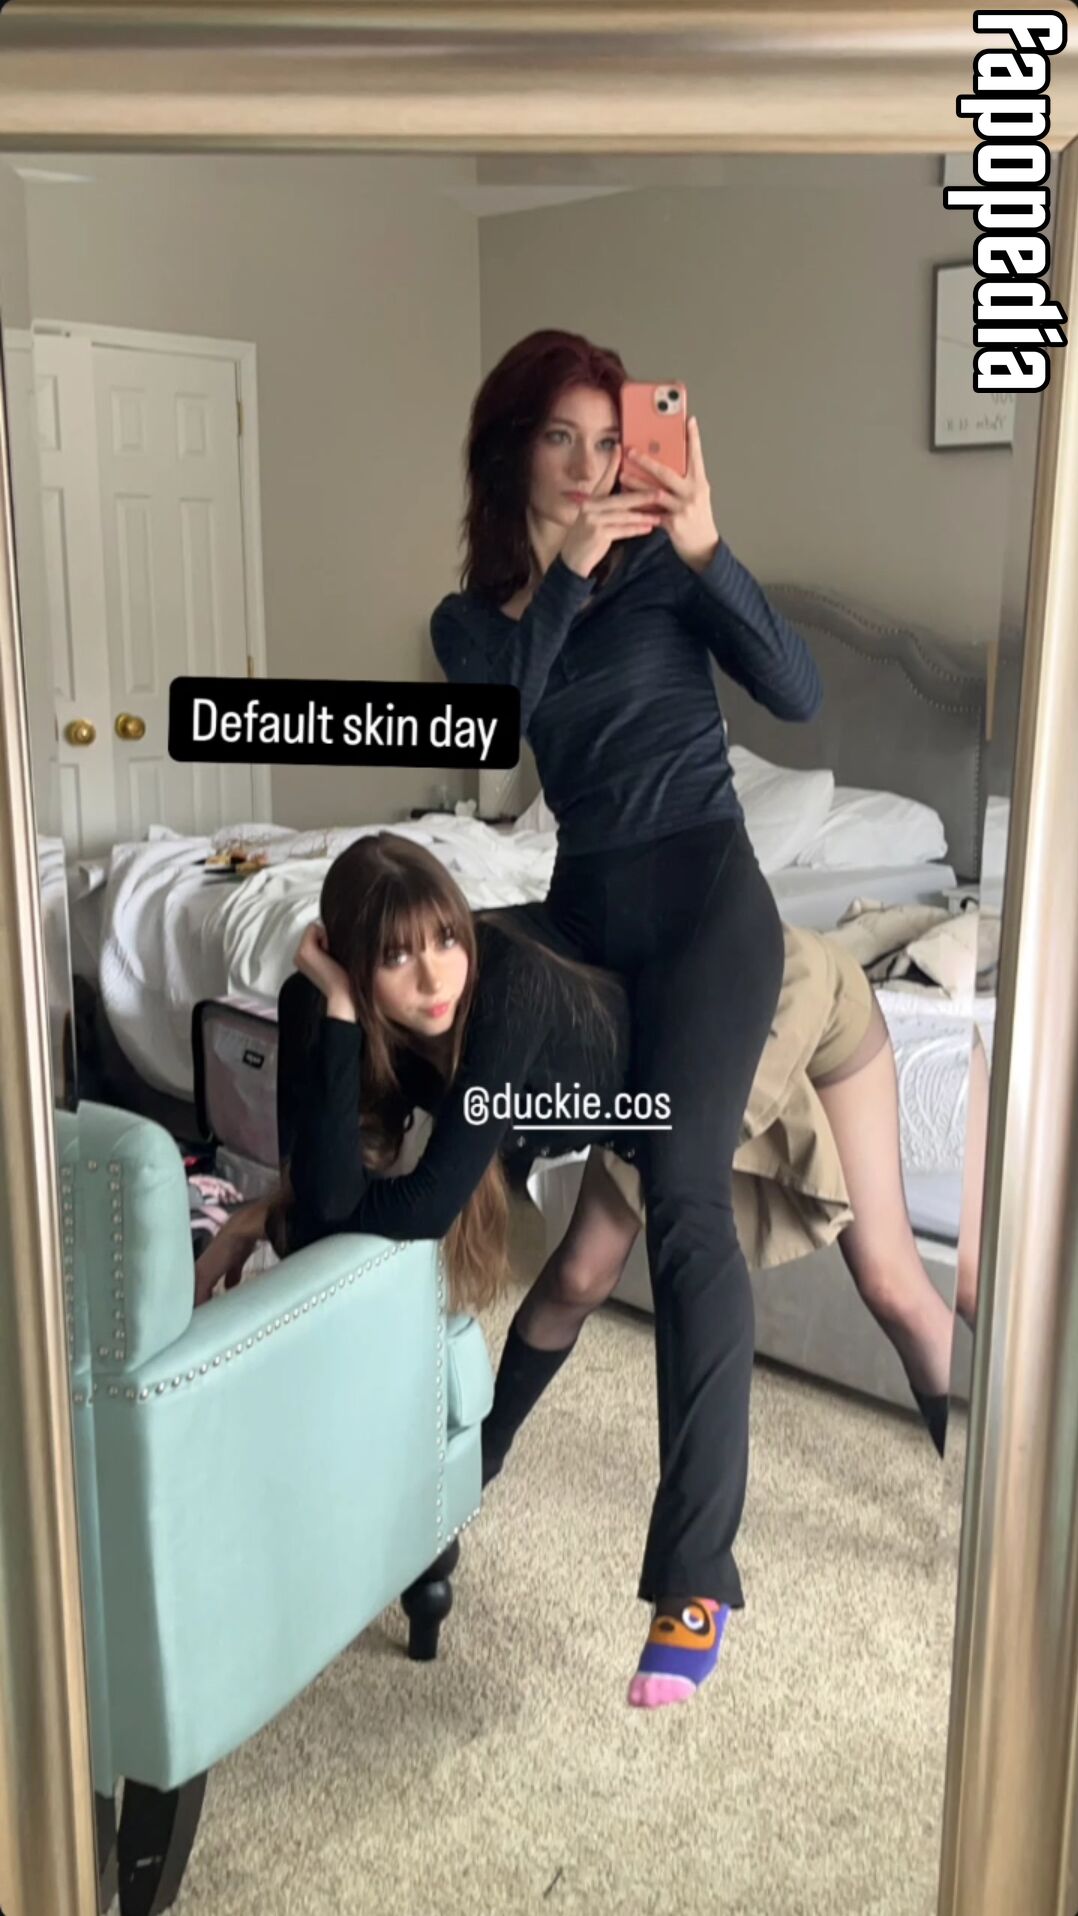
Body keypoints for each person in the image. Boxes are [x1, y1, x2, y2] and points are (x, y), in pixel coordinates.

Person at [194, 834, 982, 1699]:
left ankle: (994, 1492)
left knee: (893, 1283)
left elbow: (419, 1211)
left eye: (445, 940)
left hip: (787, 1000)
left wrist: (278, 1210)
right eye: (393, 959)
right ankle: (464, 1485)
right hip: (650, 1071)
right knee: (575, 1280)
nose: (432, 978)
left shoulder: (509, 991)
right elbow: (330, 1208)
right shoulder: (332, 1003)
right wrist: (340, 1011)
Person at [428, 327, 823, 1707]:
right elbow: (497, 727)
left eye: (611, 441)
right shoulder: (473, 620)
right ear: (513, 449)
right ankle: (446, 1479)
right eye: (565, 438)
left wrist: (706, 546)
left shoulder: (665, 573)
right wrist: (562, 579)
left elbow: (797, 694)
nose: (593, 465)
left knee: (679, 1206)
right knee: (425, 1011)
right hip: (588, 914)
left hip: (709, 912)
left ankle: (693, 1579)